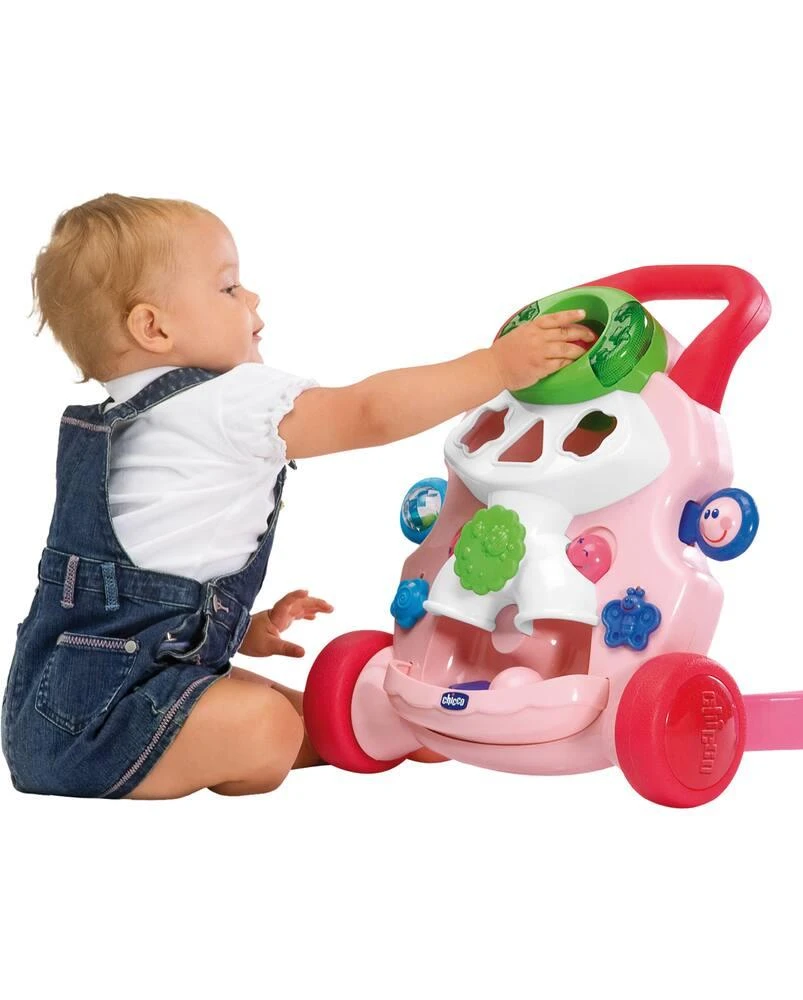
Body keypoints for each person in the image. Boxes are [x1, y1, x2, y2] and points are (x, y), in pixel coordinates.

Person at [0, 193, 595, 799]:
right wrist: (496, 367)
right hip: (103, 722)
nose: (252, 299)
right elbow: (366, 412)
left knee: (310, 712)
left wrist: (240, 630)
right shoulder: (227, 399)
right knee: (270, 726)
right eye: (228, 287)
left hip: (59, 707)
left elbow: (126, 602)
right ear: (154, 328)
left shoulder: (121, 426)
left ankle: (373, 730)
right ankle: (358, 731)